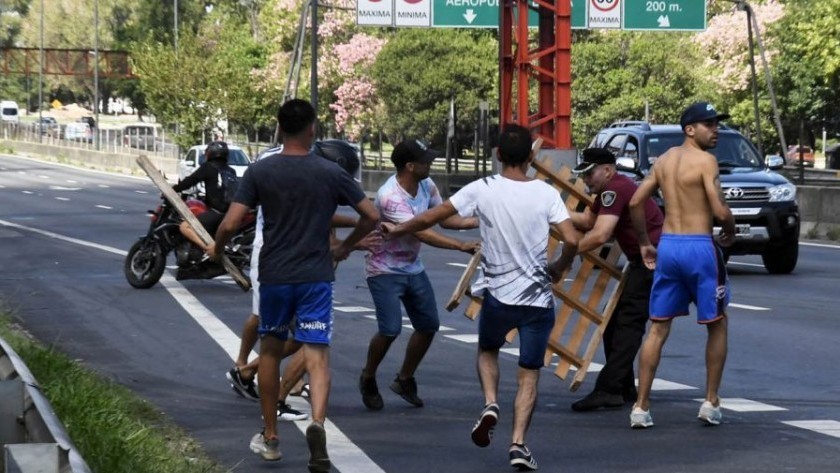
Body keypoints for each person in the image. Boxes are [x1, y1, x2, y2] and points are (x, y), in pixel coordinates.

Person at [382, 124, 579, 471]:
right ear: (531, 157)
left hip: (499, 298)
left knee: (488, 351)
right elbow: (572, 240)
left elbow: (434, 217)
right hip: (537, 301)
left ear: (498, 155)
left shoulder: (483, 188)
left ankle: (490, 402)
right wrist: (559, 266)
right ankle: (518, 444)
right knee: (529, 373)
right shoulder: (546, 194)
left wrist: (397, 228)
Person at [210, 98, 379, 471]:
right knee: (317, 356)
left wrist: (217, 250)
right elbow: (371, 215)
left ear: (279, 128)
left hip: (275, 276)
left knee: (269, 352)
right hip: (316, 276)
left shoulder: (260, 171)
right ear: (312, 129)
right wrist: (346, 248)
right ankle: (316, 424)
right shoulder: (330, 172)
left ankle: (270, 437)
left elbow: (230, 223)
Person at [628, 101, 736, 429]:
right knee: (717, 323)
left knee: (658, 328)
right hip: (700, 247)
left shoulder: (663, 161)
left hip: (669, 247)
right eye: (708, 124)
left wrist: (646, 242)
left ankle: (641, 407)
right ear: (690, 129)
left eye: (716, 123)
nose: (715, 129)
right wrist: (730, 229)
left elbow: (635, 202)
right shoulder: (706, 161)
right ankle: (711, 401)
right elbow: (718, 209)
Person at [359, 139, 479, 411]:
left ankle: (404, 378)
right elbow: (421, 230)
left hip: (413, 266)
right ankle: (368, 375)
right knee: (390, 329)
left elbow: (443, 217)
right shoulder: (390, 195)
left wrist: (477, 220)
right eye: (425, 161)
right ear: (410, 166)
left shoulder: (427, 185)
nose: (430, 164)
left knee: (428, 326)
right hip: (384, 268)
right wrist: (461, 246)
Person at [559, 148, 663, 412]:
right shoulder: (613, 189)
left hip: (654, 259)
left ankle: (610, 388)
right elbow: (587, 219)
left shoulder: (614, 189)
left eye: (590, 173)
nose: (586, 180)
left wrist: (567, 253)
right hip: (648, 259)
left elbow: (599, 235)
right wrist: (550, 210)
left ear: (607, 169)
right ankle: (623, 386)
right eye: (583, 175)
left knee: (627, 322)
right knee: (614, 321)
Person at [172, 141, 235, 252]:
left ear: (210, 153)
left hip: (216, 212)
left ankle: (208, 250)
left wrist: (173, 189)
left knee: (184, 226)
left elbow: (190, 181)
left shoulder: (208, 167)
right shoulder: (231, 170)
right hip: (230, 213)